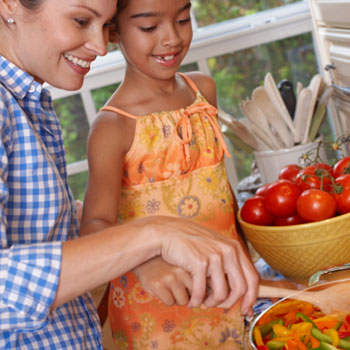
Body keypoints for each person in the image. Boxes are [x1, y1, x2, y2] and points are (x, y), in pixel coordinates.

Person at [0, 0, 259, 348]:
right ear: (9, 4)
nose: (100, 46)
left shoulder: (29, 104)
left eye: (104, 24)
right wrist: (151, 237)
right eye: (80, 20)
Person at [79, 0, 260, 348]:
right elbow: (94, 226)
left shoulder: (203, 91)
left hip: (226, 293)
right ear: (113, 30)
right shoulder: (112, 126)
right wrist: (146, 261)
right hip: (155, 314)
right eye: (149, 28)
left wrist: (247, 259)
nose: (172, 38)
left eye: (182, 19)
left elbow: (220, 193)